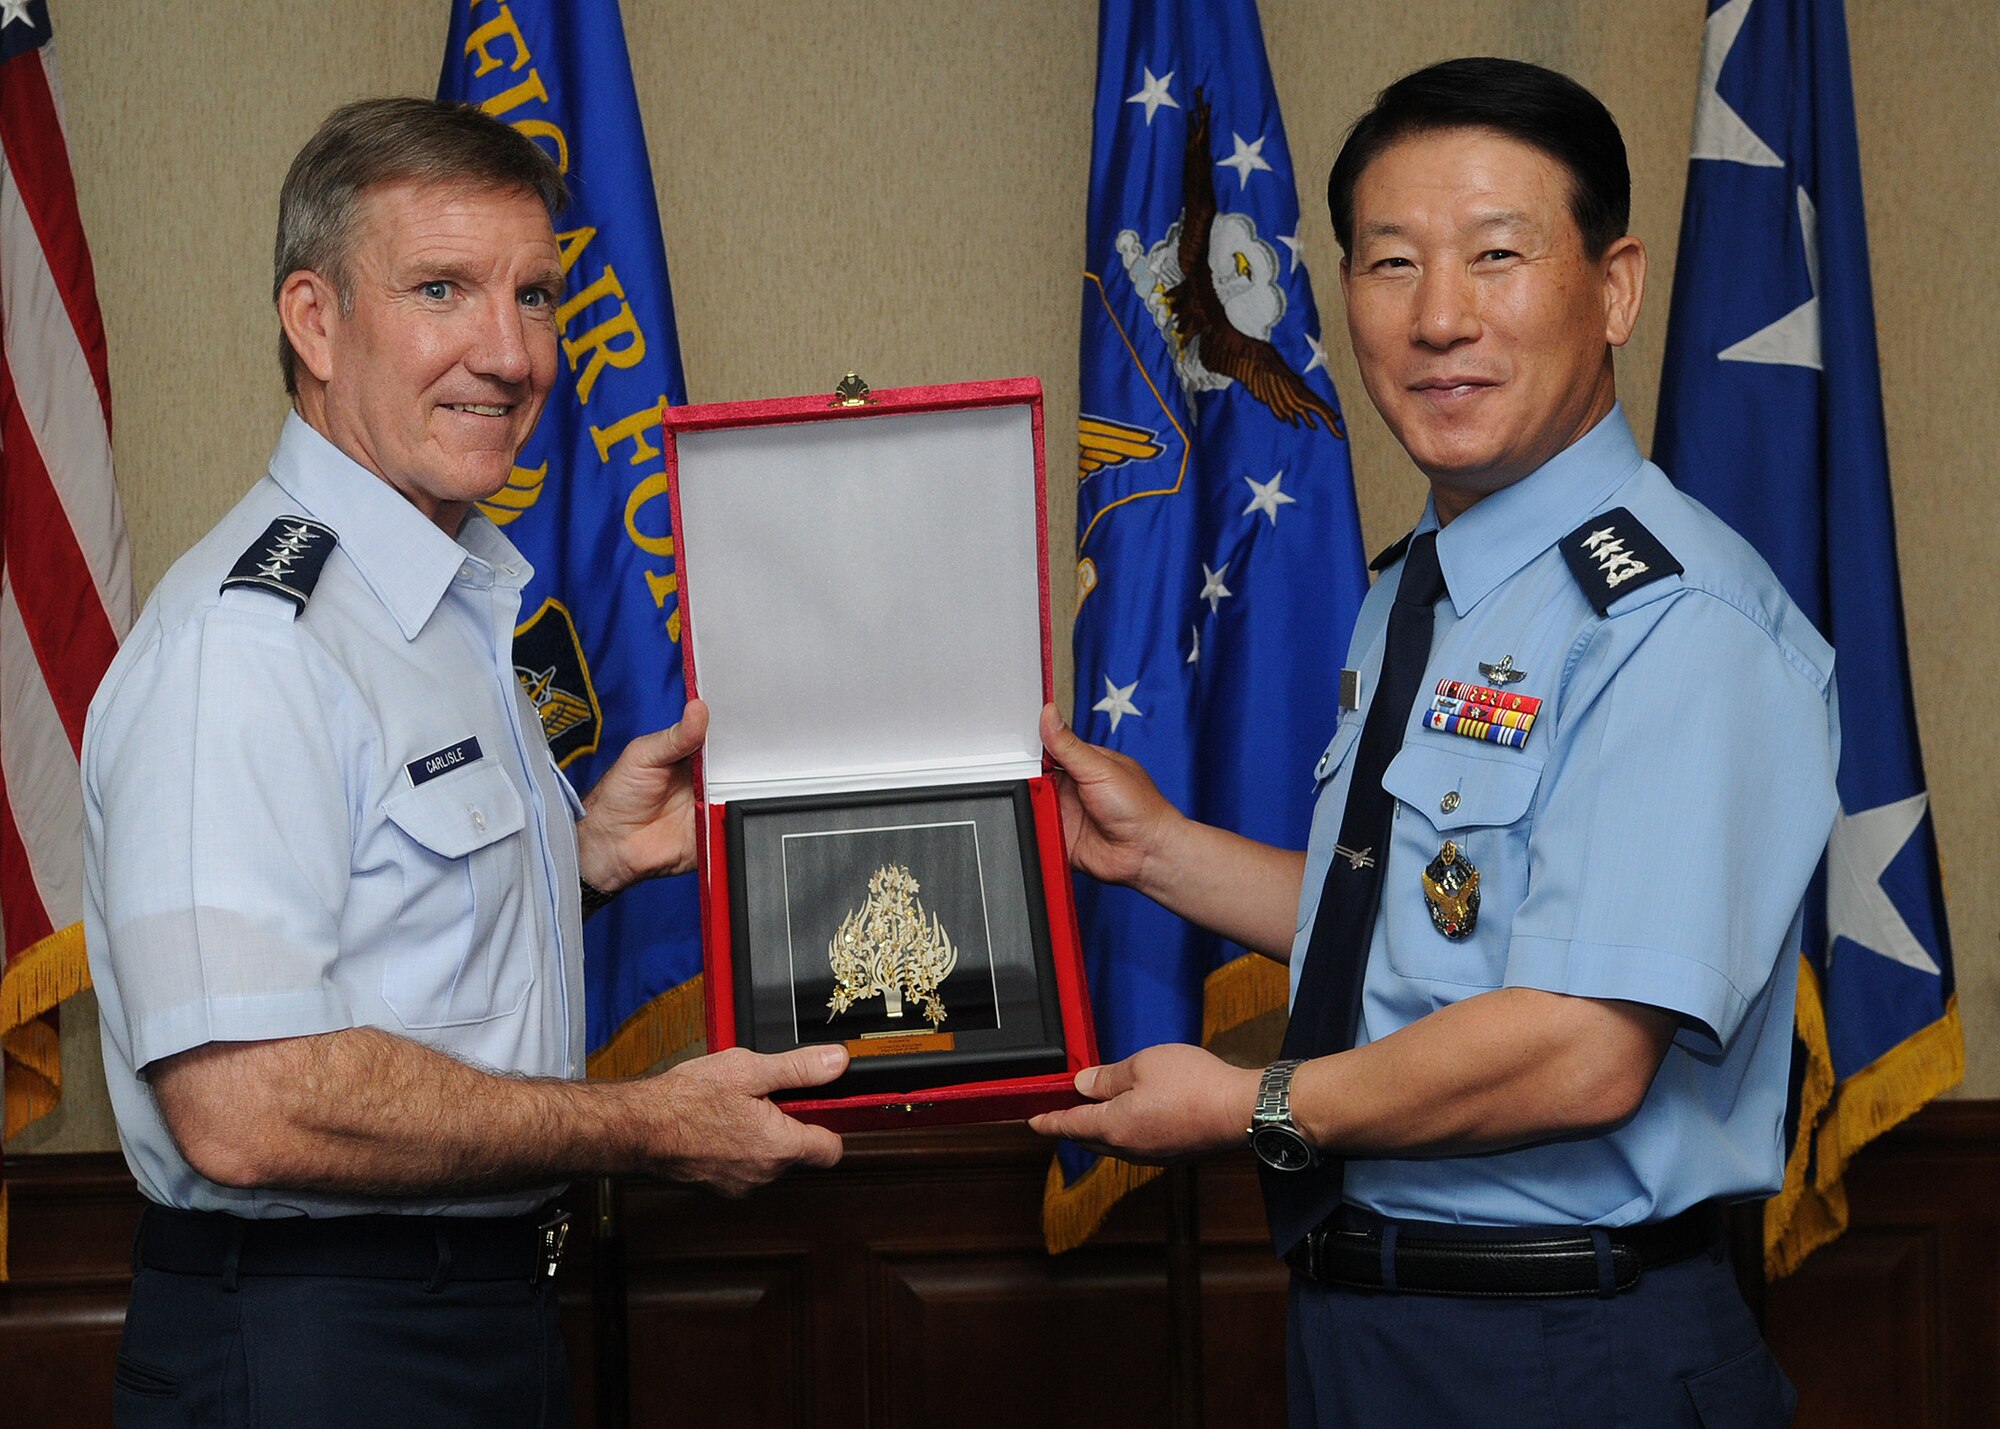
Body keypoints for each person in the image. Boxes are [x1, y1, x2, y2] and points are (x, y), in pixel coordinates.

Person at [1030, 57, 1837, 1428]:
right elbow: (1420, 933)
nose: (1440, 317)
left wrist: (1251, 1108)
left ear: (1616, 286)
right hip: (1369, 1327)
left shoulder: (1674, 619)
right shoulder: (1420, 586)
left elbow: (1582, 1044)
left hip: (1571, 1345)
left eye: (1497, 256)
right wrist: (1161, 853)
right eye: (1391, 264)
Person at [81, 97, 844, 1428]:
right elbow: (243, 1103)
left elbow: (384, 919)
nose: (513, 353)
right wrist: (644, 1124)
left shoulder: (443, 599)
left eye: (536, 297)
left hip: (471, 1310)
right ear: (314, 322)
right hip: (315, 1338)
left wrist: (580, 854)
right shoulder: (249, 645)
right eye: (445, 289)